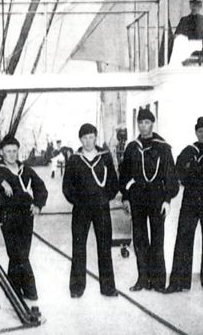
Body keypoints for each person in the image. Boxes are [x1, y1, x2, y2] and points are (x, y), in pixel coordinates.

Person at [120, 108, 178, 292]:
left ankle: (159, 281)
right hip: (137, 197)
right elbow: (124, 175)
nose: (143, 126)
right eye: (140, 123)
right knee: (139, 239)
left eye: (147, 122)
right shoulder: (131, 148)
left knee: (157, 239)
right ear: (137, 124)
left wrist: (167, 199)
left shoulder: (163, 147)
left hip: (157, 197)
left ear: (153, 124)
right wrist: (126, 198)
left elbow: (171, 175)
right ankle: (143, 279)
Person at [166, 117, 203, 294]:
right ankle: (179, 282)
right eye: (200, 131)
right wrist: (201, 170)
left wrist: (195, 169)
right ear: (196, 132)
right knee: (183, 238)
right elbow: (180, 172)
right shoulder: (188, 150)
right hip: (190, 199)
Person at [0, 134, 48, 301]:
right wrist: (0, 180)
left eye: (15, 151)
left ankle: (13, 291)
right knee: (17, 254)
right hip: (8, 217)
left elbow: (40, 187)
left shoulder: (26, 169)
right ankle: (30, 291)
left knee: (21, 254)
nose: (12, 155)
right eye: (8, 151)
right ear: (1, 152)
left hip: (26, 217)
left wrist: (38, 204)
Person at [63, 124, 119, 298]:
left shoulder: (105, 157)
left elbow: (113, 182)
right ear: (80, 140)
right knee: (78, 247)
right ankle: (77, 288)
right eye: (84, 138)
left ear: (96, 137)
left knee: (104, 246)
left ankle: (108, 287)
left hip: (101, 208)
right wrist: (78, 201)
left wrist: (105, 198)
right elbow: (67, 187)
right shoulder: (74, 159)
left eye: (91, 137)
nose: (88, 141)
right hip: (81, 210)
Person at [172, 0, 203, 65]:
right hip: (186, 47)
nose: (195, 7)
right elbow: (177, 35)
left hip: (202, 47)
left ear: (200, 6)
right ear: (190, 6)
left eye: (197, 5)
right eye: (193, 5)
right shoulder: (184, 20)